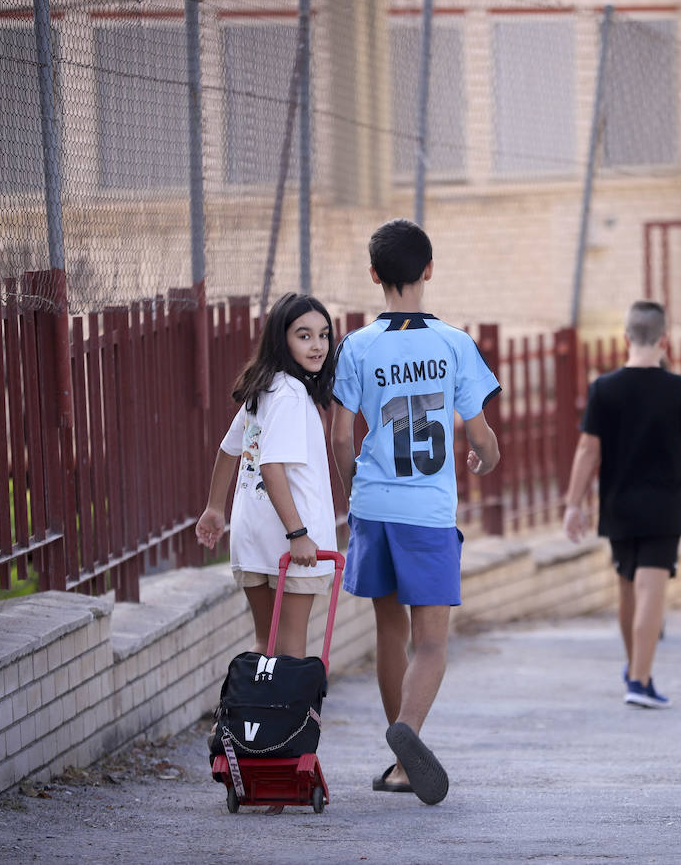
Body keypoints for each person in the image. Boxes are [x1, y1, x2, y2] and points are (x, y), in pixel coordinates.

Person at [330, 218, 500, 806]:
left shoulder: (356, 346)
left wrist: (354, 487)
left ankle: (402, 759)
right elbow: (480, 437)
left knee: (389, 630)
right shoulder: (454, 344)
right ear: (429, 270)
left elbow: (339, 436)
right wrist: (485, 455)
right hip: (427, 513)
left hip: (374, 507)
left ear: (374, 275)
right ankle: (409, 738)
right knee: (431, 642)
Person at [563, 300, 681, 709]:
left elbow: (587, 449)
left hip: (618, 506)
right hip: (663, 506)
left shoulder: (604, 388)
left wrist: (573, 503)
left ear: (625, 338)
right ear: (664, 339)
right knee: (651, 593)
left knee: (628, 589)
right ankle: (638, 679)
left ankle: (639, 669)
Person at [195, 293, 339, 659]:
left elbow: (230, 450)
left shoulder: (265, 388)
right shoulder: (291, 395)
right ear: (281, 339)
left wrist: (214, 508)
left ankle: (235, 719)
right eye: (303, 335)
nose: (318, 345)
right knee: (289, 654)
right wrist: (299, 534)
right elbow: (270, 467)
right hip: (289, 543)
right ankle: (276, 720)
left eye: (323, 335)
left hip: (251, 537)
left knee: (266, 647)